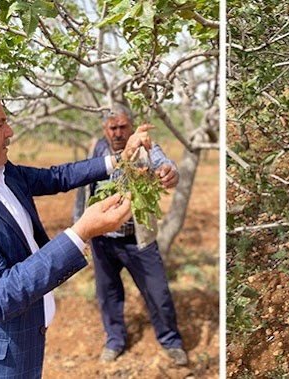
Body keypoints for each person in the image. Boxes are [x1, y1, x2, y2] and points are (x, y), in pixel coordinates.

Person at [0, 73, 151, 378]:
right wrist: (82, 231)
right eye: (0, 124)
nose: (10, 132)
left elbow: (56, 177)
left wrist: (119, 159)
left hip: (25, 349)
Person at [86, 104, 188, 366]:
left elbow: (165, 164)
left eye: (123, 127)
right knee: (108, 294)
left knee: (158, 293)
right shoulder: (97, 149)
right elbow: (83, 191)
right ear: (104, 129)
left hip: (137, 240)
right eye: (113, 128)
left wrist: (169, 173)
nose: (118, 133)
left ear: (131, 127)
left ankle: (170, 341)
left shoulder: (146, 147)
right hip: (103, 241)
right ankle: (115, 341)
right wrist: (83, 228)